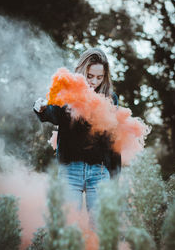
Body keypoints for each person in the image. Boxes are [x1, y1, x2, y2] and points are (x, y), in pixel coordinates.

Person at [33, 48, 121, 226]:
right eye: (90, 76)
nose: (94, 82)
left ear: (105, 76)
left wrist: (115, 176)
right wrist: (41, 108)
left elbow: (113, 139)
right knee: (67, 227)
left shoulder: (110, 98)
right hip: (70, 170)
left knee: (101, 228)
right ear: (81, 71)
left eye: (99, 77)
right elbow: (54, 113)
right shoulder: (67, 91)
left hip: (100, 171)